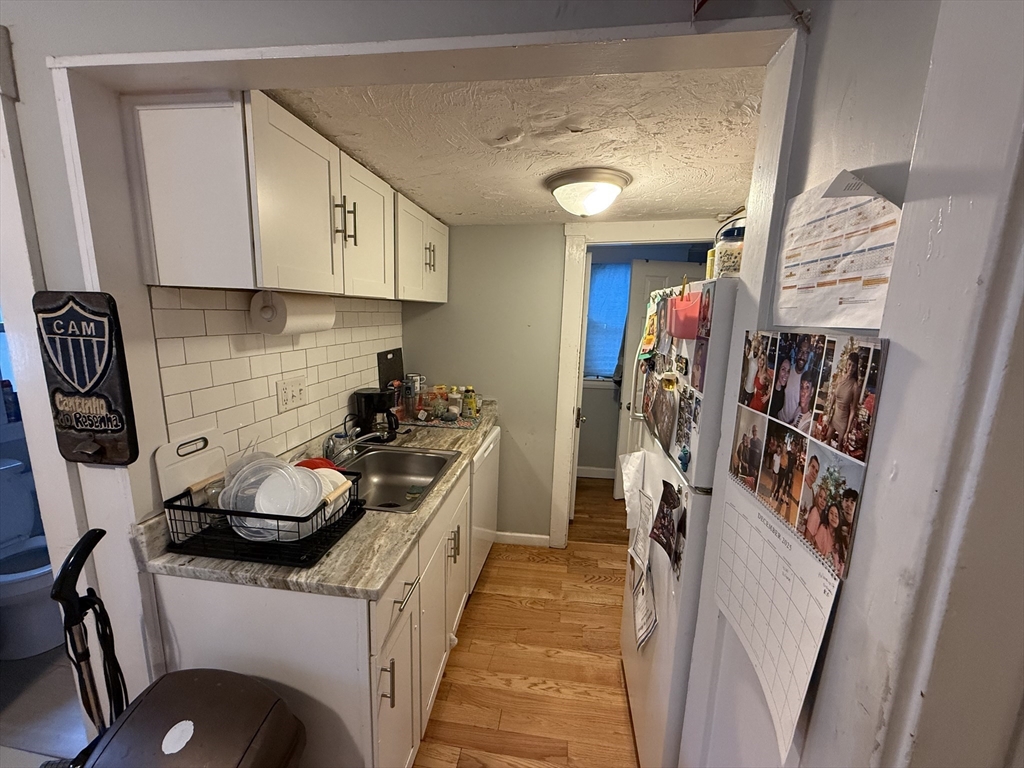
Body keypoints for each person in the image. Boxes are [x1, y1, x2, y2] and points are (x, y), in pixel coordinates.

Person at [827, 352, 861, 448]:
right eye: (849, 364)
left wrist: (847, 430)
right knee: (827, 437)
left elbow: (853, 410)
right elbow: (834, 395)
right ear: (846, 364)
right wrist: (829, 411)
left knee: (839, 446)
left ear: (856, 368)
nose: (850, 368)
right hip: (835, 414)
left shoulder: (855, 386)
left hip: (843, 419)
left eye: (853, 366)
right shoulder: (840, 378)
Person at [796, 455, 820, 533]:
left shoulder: (812, 492)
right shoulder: (800, 481)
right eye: (813, 467)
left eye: (816, 471)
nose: (814, 472)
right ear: (808, 466)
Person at [741, 336, 758, 405]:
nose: (755, 350)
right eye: (754, 347)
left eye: (757, 348)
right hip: (745, 387)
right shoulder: (749, 356)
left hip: (751, 389)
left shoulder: (757, 359)